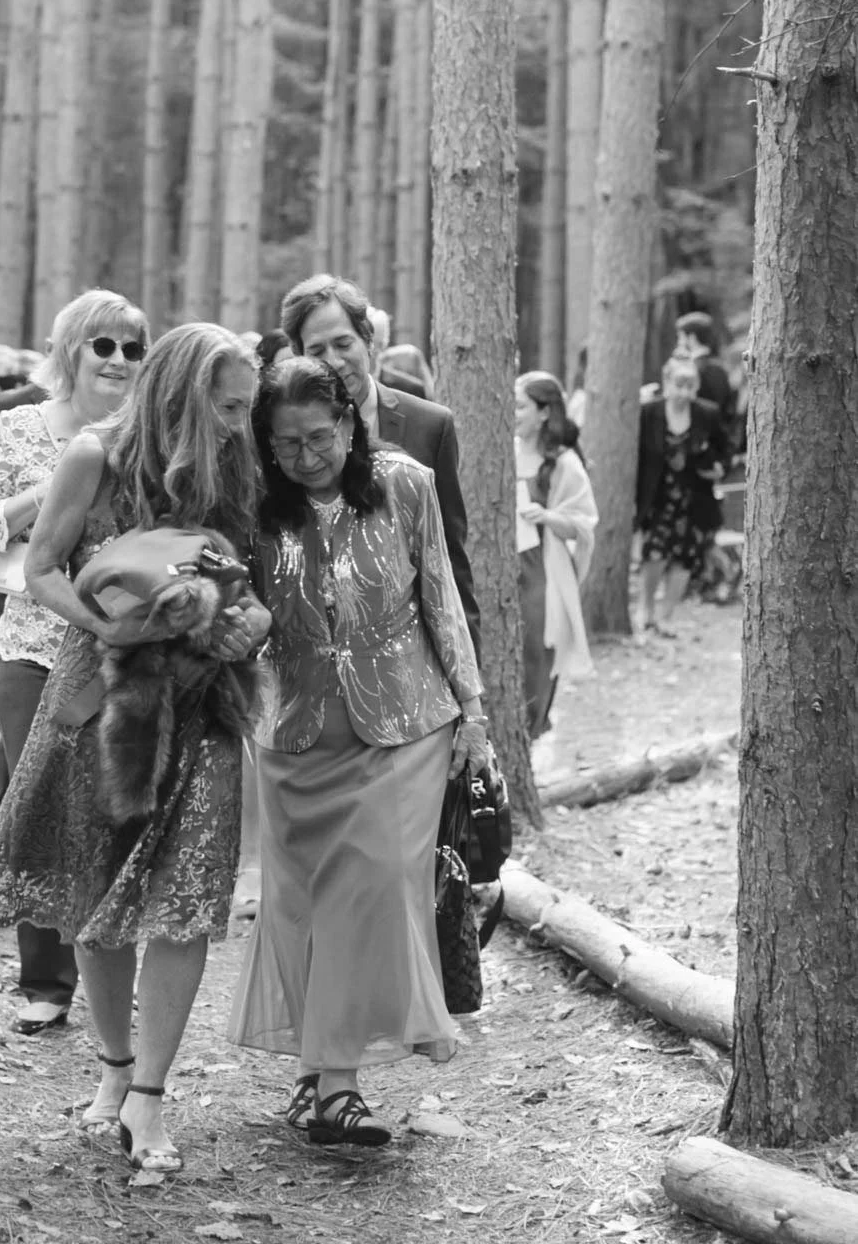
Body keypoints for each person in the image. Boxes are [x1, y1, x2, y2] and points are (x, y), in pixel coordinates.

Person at [0, 323, 272, 1173]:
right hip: (103, 692)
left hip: (207, 697)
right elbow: (42, 569)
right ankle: (111, 1070)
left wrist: (245, 624)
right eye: (228, 405)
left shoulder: (235, 464)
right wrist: (112, 627)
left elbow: (247, 575)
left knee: (187, 895)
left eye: (245, 408)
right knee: (96, 890)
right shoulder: (95, 455)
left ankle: (150, 1097)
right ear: (181, 391)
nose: (237, 422)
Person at [229, 358, 488, 1147]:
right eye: (286, 445)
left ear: (348, 424)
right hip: (294, 730)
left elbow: (440, 596)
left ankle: (336, 1086)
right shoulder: (249, 505)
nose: (305, 457)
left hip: (403, 723)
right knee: (302, 901)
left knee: (368, 882)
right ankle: (320, 1076)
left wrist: (474, 714)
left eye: (319, 437)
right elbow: (238, 610)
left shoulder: (405, 483)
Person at [0, 290, 149, 1033]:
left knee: (114, 807)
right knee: (33, 801)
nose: (119, 361)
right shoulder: (21, 426)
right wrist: (52, 490)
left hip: (129, 657)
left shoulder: (146, 436)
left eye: (134, 347)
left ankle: (108, 964)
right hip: (35, 649)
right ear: (70, 351)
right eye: (104, 345)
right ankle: (45, 978)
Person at [279, 274, 480, 662]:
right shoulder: (284, 436)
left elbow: (451, 561)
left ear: (368, 338)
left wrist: (468, 683)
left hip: (411, 665)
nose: (334, 361)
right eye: (317, 350)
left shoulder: (429, 425)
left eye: (343, 343)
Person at [514, 372, 598, 739]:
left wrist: (547, 516)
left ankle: (531, 728)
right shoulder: (504, 452)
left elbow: (583, 522)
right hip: (504, 565)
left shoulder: (563, 463)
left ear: (544, 412)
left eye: (520, 406)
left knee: (536, 648)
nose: (512, 413)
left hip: (541, 569)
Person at [635, 352, 731, 635]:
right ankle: (645, 610)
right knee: (654, 552)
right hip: (658, 496)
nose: (684, 391)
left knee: (686, 557)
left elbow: (725, 449)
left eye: (690, 385)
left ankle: (667, 616)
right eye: (679, 384)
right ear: (667, 382)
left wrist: (718, 469)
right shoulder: (649, 413)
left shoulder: (707, 413)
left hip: (695, 497)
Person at [674, 311, 736, 435]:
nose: (678, 342)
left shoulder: (692, 369)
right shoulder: (719, 369)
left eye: (680, 337)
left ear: (692, 338)